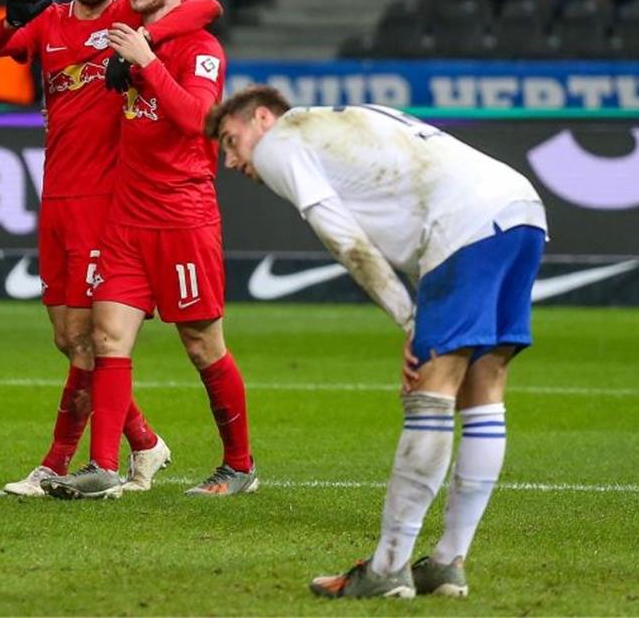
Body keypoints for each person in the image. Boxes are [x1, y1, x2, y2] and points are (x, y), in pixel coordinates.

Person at [206, 86, 547, 598]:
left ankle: (388, 567)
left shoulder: (280, 141)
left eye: (231, 142)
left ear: (260, 118)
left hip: (465, 224)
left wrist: (409, 319)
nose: (231, 160)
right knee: (484, 384)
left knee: (429, 391)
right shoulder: (341, 120)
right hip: (521, 210)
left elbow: (342, 236)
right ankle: (448, 562)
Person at [0, 0, 223, 498]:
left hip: (108, 201)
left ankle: (59, 461)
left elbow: (204, 7)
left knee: (92, 338)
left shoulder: (130, 23)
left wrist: (149, 39)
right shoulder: (51, 22)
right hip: (56, 198)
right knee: (70, 340)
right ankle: (145, 443)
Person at [40, 0, 256, 500]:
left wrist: (148, 63)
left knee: (202, 345)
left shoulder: (200, 49)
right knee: (108, 337)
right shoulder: (125, 36)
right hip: (127, 218)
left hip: (183, 217)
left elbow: (201, 120)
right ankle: (103, 465)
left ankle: (239, 465)